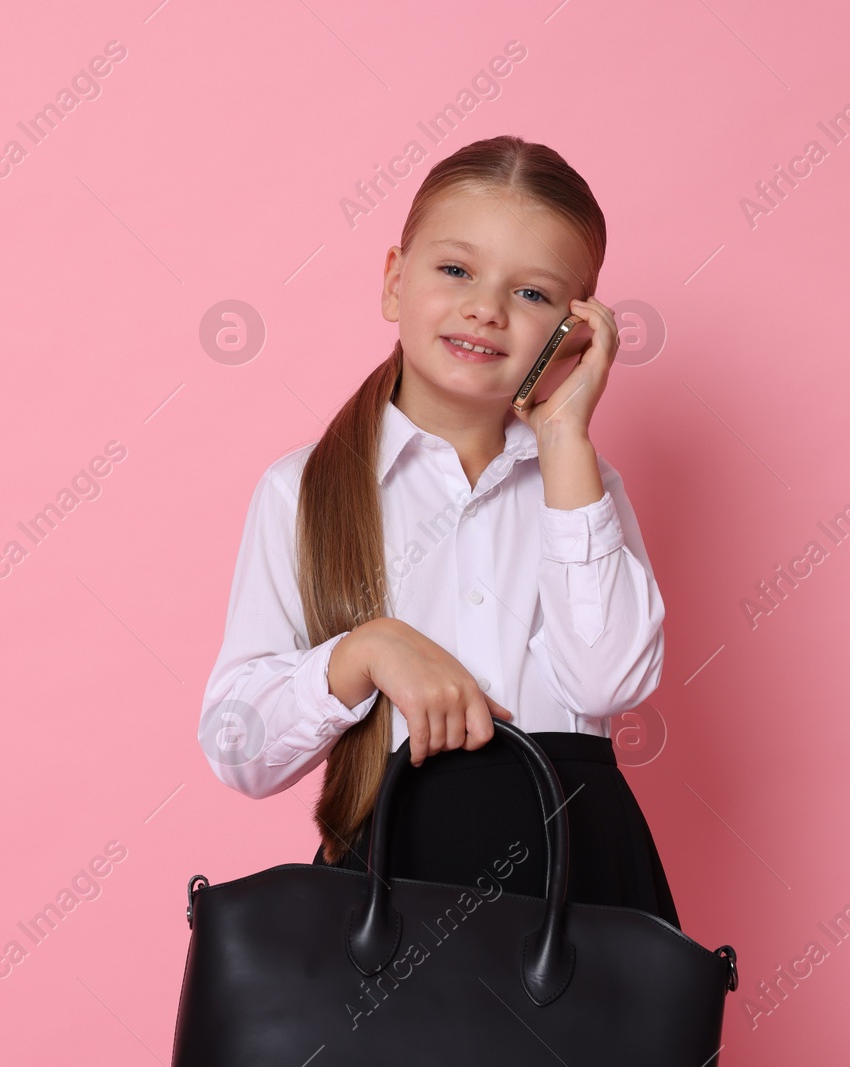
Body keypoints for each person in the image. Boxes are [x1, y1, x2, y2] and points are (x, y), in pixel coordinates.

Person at [198, 133, 680, 928]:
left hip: (579, 891)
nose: (485, 308)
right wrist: (362, 652)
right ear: (394, 280)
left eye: (532, 294)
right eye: (455, 270)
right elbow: (236, 743)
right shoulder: (303, 491)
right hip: (389, 890)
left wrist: (565, 440)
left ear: (578, 329)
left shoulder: (583, 489)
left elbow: (608, 681)